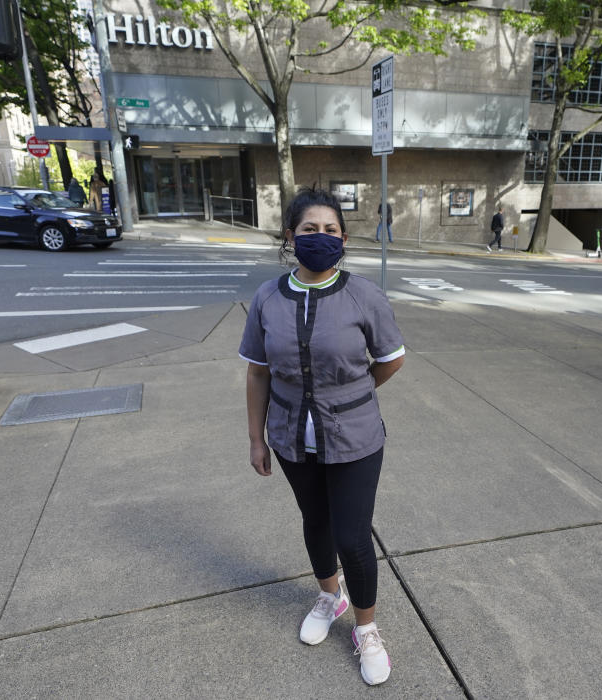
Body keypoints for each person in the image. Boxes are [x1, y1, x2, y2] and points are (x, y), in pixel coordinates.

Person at [239, 188, 405, 686]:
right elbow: (257, 373)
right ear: (290, 237)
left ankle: (367, 628)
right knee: (315, 523)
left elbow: (392, 358)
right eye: (309, 229)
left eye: (330, 230)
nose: (320, 237)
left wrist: (350, 395)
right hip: (291, 438)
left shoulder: (364, 296)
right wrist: (255, 439)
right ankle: (330, 597)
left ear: (344, 239)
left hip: (355, 438)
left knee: (353, 537)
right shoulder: (268, 297)